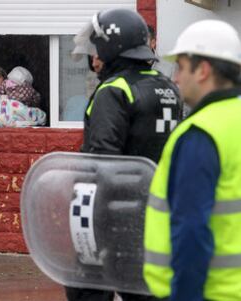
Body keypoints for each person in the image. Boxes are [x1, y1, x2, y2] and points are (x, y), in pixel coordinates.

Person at [66, 9, 181, 301]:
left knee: (87, 289)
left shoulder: (114, 90)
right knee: (147, 290)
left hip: (114, 214)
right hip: (157, 210)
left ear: (114, 48)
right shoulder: (167, 86)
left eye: (97, 51)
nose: (93, 59)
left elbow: (103, 161)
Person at [144, 20, 241, 301]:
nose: (175, 78)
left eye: (181, 67)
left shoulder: (201, 133)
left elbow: (191, 230)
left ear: (203, 70)